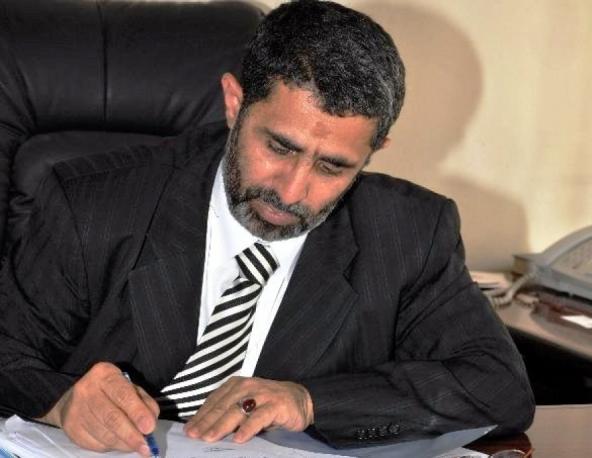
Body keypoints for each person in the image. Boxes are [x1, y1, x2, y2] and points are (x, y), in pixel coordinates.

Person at [0, 0, 534, 455]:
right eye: (279, 147)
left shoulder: (409, 233)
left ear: (374, 151)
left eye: (333, 166)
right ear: (235, 104)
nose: (294, 191)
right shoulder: (94, 202)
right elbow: (8, 354)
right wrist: (60, 401)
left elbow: (499, 388)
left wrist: (310, 401)